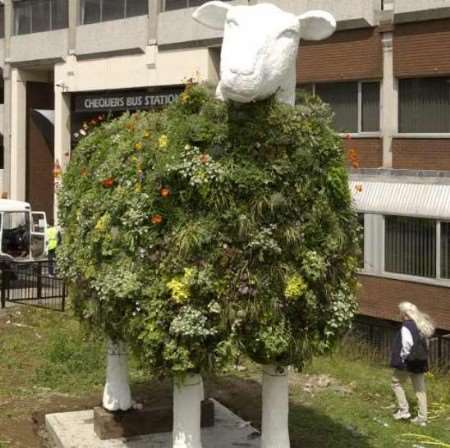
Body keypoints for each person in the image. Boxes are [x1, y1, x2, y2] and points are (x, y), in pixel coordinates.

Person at [390, 301, 435, 427]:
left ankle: (404, 410)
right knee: (420, 389)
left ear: (404, 313)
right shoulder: (421, 324)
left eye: (400, 312)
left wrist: (403, 358)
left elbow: (407, 345)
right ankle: (422, 417)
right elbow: (426, 343)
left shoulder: (407, 326)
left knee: (396, 383)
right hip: (420, 361)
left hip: (409, 361)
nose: (399, 314)